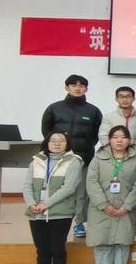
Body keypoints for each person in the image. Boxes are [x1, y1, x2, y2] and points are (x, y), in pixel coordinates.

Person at [41, 74, 102, 238]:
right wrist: (57, 148)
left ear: (86, 89)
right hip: (58, 158)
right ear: (67, 87)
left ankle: (79, 223)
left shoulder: (93, 111)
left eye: (81, 86)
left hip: (83, 157)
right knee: (56, 189)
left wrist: (84, 147)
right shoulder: (54, 108)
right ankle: (53, 218)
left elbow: (96, 135)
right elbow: (46, 131)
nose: (77, 88)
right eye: (74, 85)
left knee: (81, 193)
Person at [23, 132, 82, 264]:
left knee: (57, 248)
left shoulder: (74, 161)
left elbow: (69, 188)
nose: (57, 143)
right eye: (53, 141)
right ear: (47, 143)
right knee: (42, 250)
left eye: (61, 141)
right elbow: (27, 186)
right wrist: (31, 203)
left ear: (67, 143)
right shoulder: (37, 161)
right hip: (37, 214)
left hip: (60, 213)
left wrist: (46, 203)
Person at [86, 126, 136, 264]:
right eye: (115, 137)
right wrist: (103, 204)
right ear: (109, 139)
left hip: (125, 209)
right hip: (101, 209)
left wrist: (127, 206)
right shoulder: (98, 159)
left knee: (122, 243)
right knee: (102, 243)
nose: (119, 140)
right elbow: (91, 182)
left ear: (129, 140)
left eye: (123, 137)